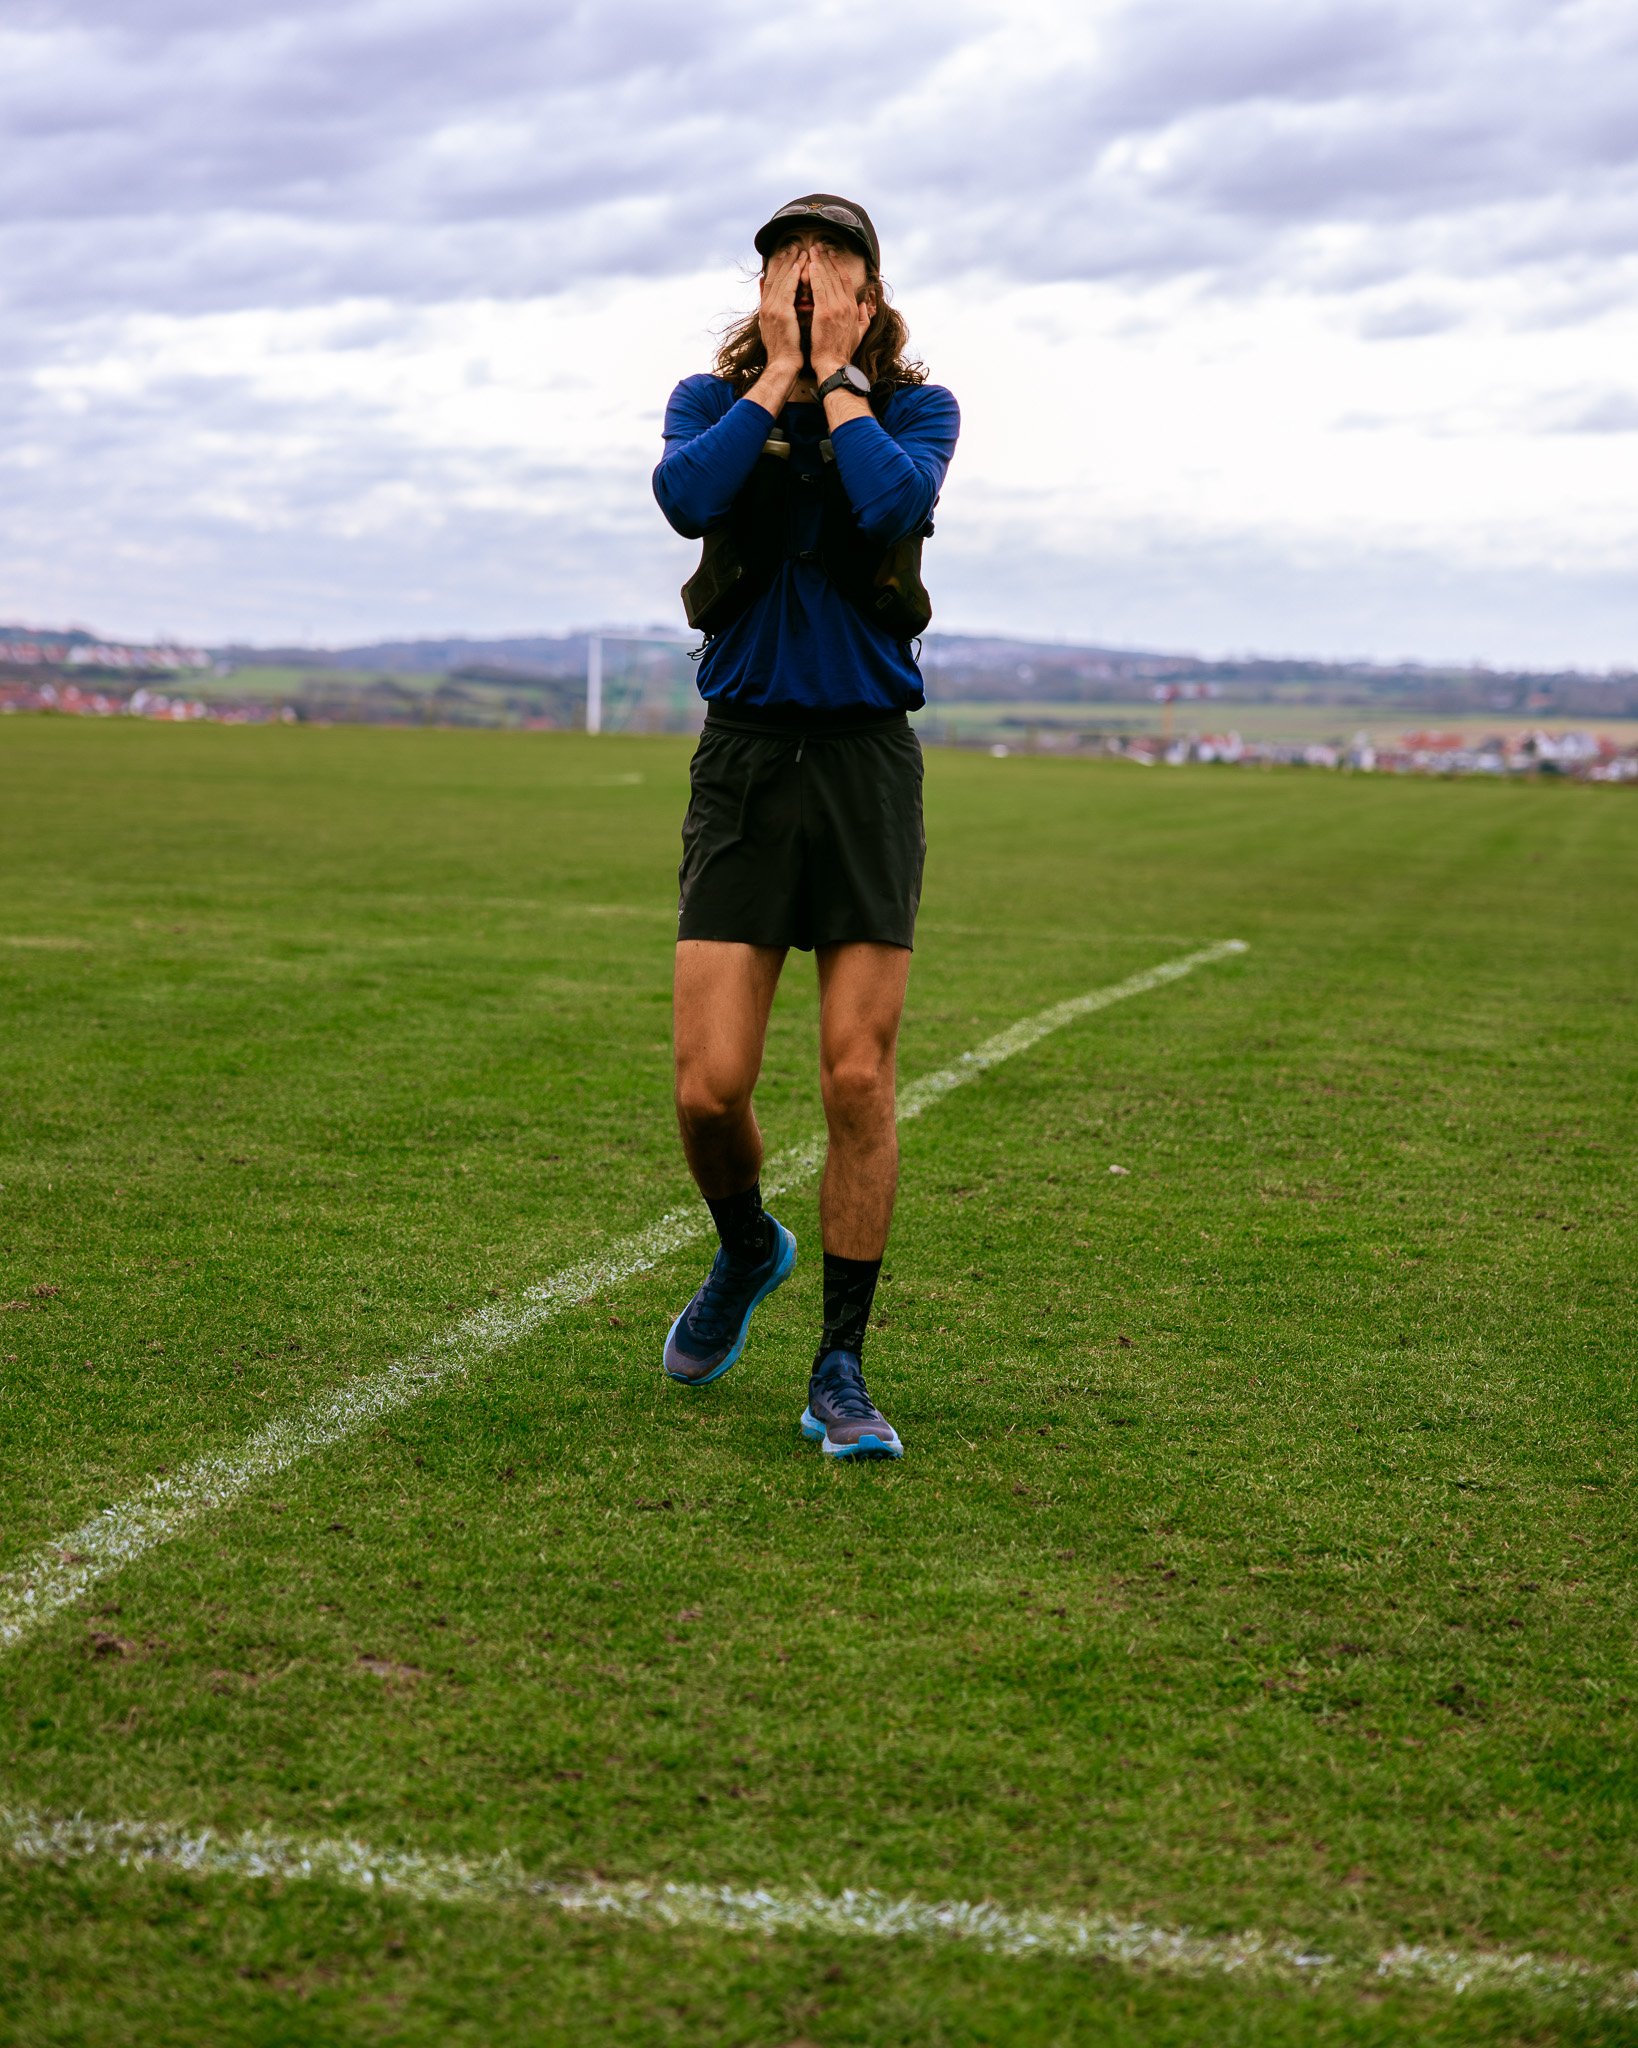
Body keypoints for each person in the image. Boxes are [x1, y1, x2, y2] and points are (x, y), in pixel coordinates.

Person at [651, 193, 959, 1461]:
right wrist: (778, 375)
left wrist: (837, 377)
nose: (809, 281)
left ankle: (840, 1364)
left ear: (872, 296)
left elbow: (891, 507)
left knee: (855, 1076)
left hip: (863, 767)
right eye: (789, 266)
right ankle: (745, 1249)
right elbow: (685, 496)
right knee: (710, 1087)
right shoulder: (708, 400)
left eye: (833, 271)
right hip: (745, 763)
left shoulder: (920, 411)